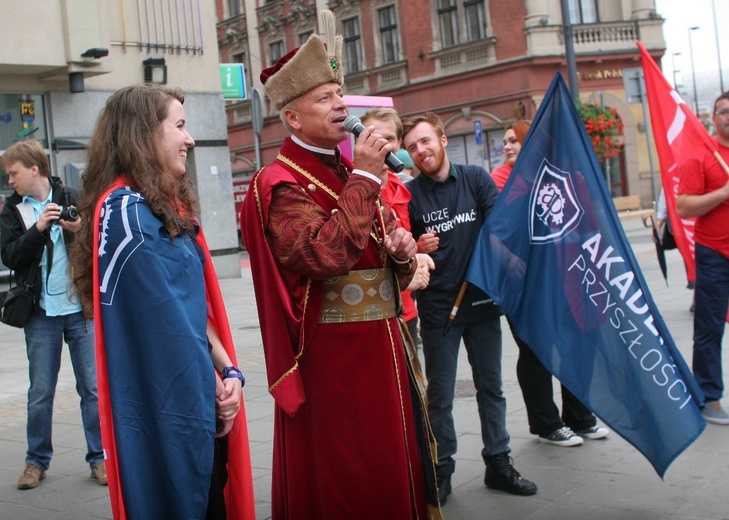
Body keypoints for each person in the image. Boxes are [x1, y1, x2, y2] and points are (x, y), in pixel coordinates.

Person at [240, 10, 442, 519]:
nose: (340, 105)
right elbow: (322, 255)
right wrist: (369, 180)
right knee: (348, 478)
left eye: (339, 93)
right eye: (324, 97)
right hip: (332, 361)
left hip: (382, 348)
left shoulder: (348, 170)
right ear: (292, 116)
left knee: (390, 468)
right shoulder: (277, 182)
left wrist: (398, 255)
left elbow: (367, 252)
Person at [69, 84, 255, 518]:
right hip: (170, 405)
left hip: (196, 391)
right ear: (144, 134)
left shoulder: (155, 205)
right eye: (181, 126)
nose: (190, 138)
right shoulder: (126, 213)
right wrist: (219, 387)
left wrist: (228, 369)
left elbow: (192, 308)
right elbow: (167, 325)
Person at [403, 112, 537, 504]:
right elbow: (402, 248)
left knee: (491, 389)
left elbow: (500, 228)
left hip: (479, 304)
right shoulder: (411, 194)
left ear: (443, 140)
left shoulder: (476, 178)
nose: (420, 151)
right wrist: (417, 247)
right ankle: (442, 470)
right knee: (440, 395)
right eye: (412, 147)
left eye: (425, 142)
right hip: (438, 312)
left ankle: (499, 462)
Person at [492, 120, 609, 447]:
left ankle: (580, 417)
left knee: (578, 345)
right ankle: (546, 425)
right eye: (506, 142)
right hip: (526, 285)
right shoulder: (503, 179)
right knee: (536, 352)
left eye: (515, 140)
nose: (508, 146)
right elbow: (500, 230)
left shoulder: (566, 177)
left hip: (570, 276)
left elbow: (589, 222)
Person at [0, 139, 106, 490]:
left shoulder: (73, 196)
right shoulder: (11, 211)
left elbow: (99, 240)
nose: (9, 181)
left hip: (80, 309)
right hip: (40, 312)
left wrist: (78, 231)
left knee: (91, 388)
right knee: (41, 391)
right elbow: (11, 257)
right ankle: (36, 462)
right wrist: (38, 229)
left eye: (13, 173)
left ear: (34, 169)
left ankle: (100, 458)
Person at [360, 107, 434, 345]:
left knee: (411, 382)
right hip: (371, 315)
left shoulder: (402, 189)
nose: (383, 145)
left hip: (407, 312)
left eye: (389, 138)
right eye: (374, 136)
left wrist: (418, 254)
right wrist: (400, 279)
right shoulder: (350, 188)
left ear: (399, 144)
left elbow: (399, 247)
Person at [677, 91, 729, 426]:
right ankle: (708, 395)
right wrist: (724, 193)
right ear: (713, 118)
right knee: (709, 326)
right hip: (715, 254)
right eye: (723, 111)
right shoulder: (702, 156)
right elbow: (684, 206)